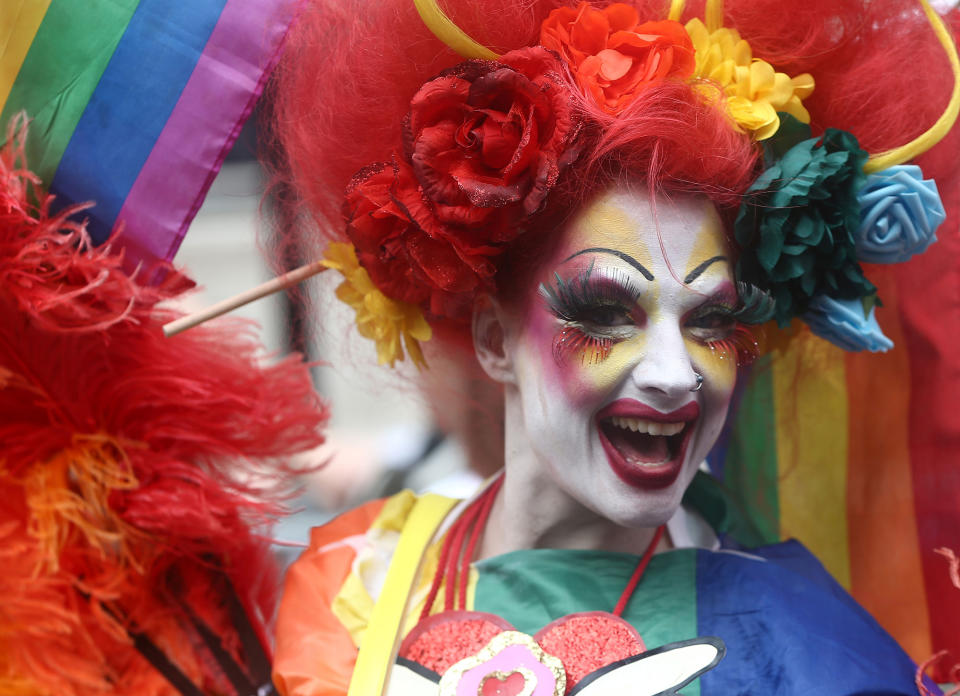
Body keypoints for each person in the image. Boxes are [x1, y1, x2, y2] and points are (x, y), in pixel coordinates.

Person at [267, 0, 959, 693]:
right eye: (604, 313)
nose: (674, 372)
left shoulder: (808, 654)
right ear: (493, 338)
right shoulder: (351, 586)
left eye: (710, 324)